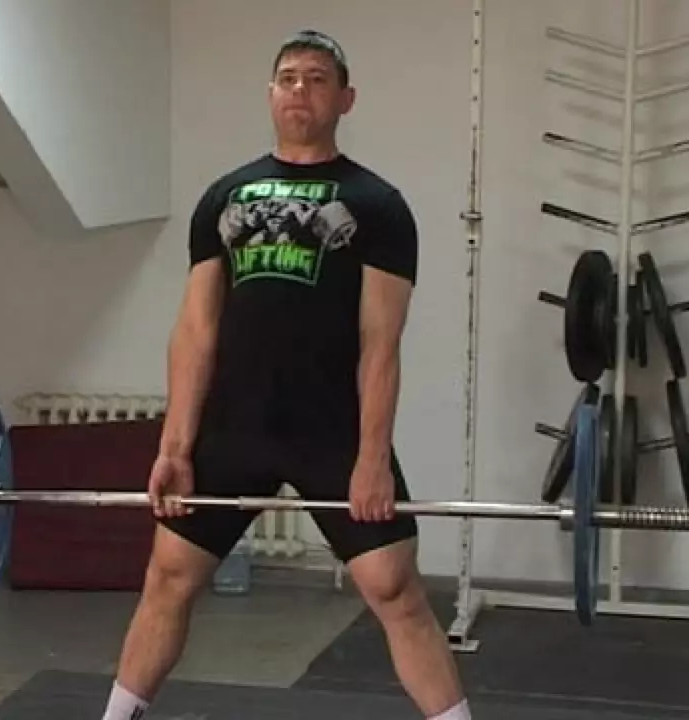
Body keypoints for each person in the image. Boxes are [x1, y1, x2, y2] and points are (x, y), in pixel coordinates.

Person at [101, 29, 472, 720]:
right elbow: (195, 331)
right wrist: (175, 447)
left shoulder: (377, 204)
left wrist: (371, 459)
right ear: (271, 94)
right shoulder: (224, 196)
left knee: (394, 589)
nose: (301, 89)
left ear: (346, 99)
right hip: (235, 425)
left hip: (330, 430)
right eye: (289, 77)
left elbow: (381, 343)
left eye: (318, 78)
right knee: (168, 580)